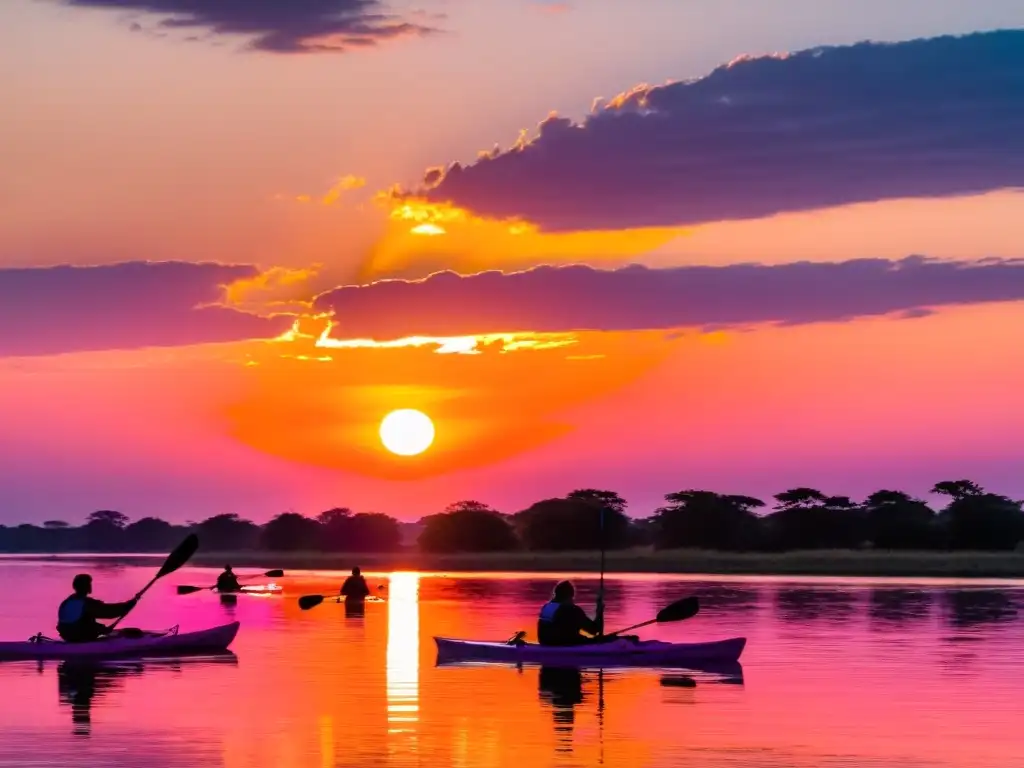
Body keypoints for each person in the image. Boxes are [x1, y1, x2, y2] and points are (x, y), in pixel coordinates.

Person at [56, 574, 137, 643]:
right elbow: (110, 612)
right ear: (87, 587)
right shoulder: (86, 603)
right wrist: (129, 605)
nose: (90, 585)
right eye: (89, 584)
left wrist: (102, 629)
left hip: (67, 635)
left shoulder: (67, 601)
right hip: (78, 636)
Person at [537, 580, 603, 646]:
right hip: (566, 644)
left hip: (545, 643)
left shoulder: (546, 607)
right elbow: (594, 630)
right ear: (570, 596)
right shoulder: (572, 610)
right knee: (597, 639)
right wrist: (599, 610)